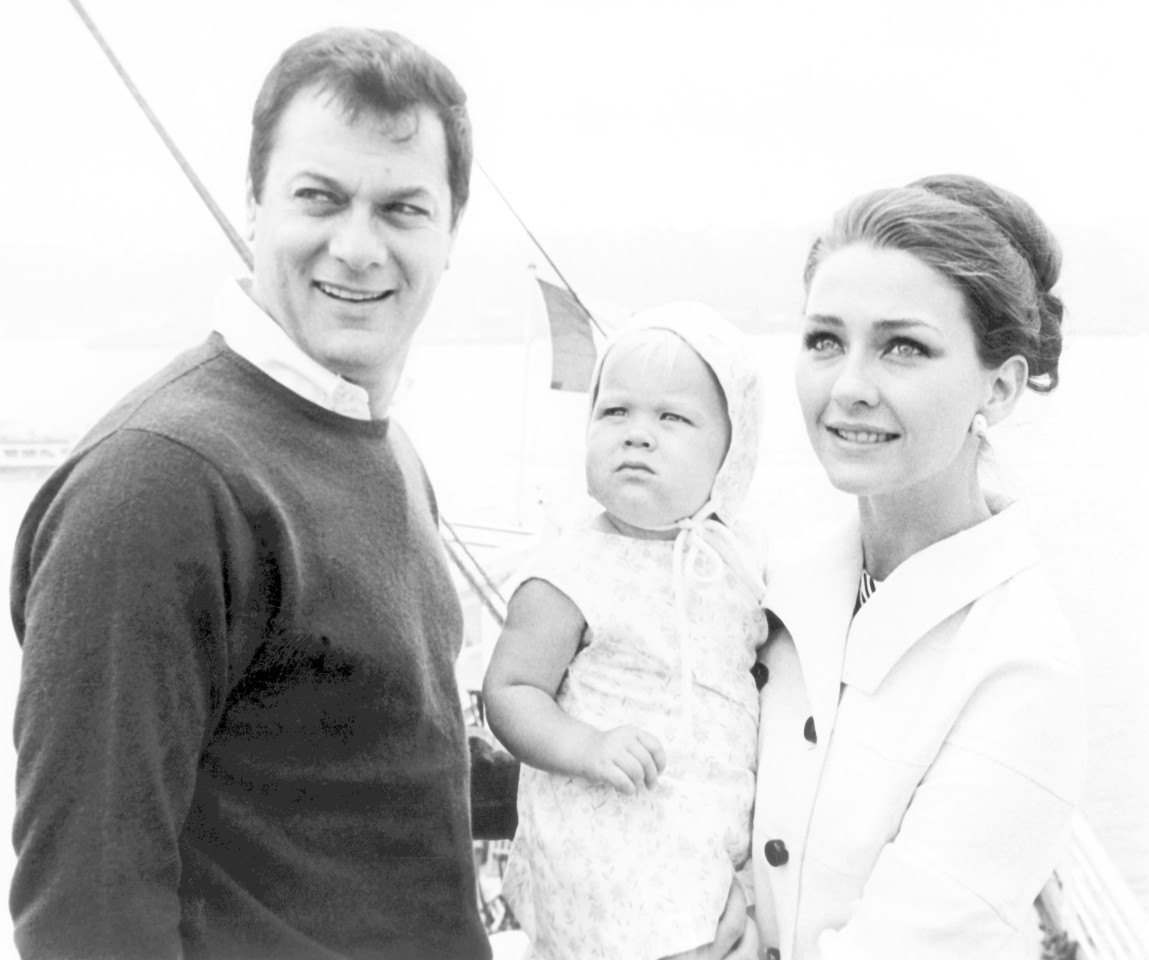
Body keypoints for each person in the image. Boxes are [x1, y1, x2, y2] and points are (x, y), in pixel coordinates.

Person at [10, 26, 500, 960]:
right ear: (253, 205)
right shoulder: (157, 484)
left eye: (401, 208)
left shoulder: (386, 448)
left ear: (449, 233)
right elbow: (87, 910)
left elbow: (381, 778)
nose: (357, 247)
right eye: (319, 198)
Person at [749, 174, 1088, 959]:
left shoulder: (1022, 669)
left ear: (998, 386)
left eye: (903, 347)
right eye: (824, 340)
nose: (849, 386)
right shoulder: (771, 582)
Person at [484, 304, 769, 960]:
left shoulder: (742, 561)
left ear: (732, 450)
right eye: (614, 412)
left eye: (672, 417)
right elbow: (511, 689)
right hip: (604, 838)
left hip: (705, 839)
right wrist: (586, 745)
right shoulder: (570, 568)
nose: (637, 435)